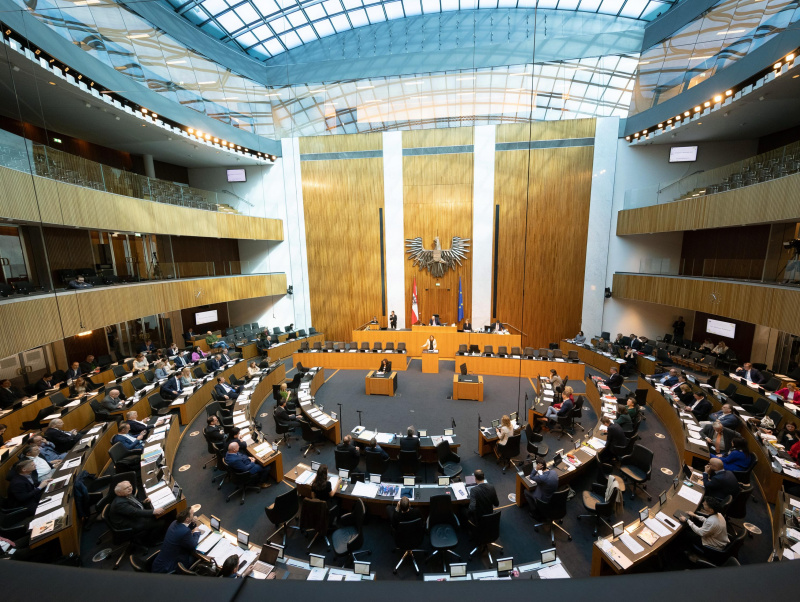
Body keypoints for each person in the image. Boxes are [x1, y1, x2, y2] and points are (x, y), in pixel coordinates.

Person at [152, 507, 202, 574]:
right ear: (187, 519)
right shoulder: (185, 532)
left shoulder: (174, 522)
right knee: (197, 556)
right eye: (192, 514)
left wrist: (192, 523)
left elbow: (183, 528)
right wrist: (196, 533)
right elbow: (193, 545)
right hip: (169, 567)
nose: (194, 515)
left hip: (159, 562)